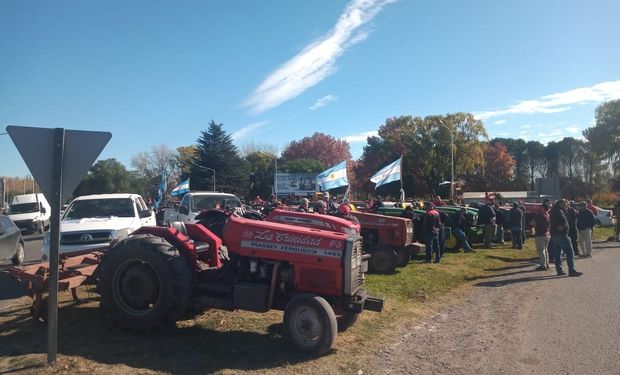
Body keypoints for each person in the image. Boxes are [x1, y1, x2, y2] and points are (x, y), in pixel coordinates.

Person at [549, 199, 583, 277]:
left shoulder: (554, 211)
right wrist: (561, 227)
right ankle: (572, 270)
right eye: (565, 204)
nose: (567, 206)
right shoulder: (559, 211)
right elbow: (562, 221)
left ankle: (559, 270)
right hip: (561, 235)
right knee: (570, 251)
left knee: (557, 253)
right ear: (560, 204)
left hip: (554, 235)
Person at [534, 202, 551, 270]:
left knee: (541, 251)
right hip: (547, 234)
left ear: (543, 208)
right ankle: (547, 264)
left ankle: (543, 265)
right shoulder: (548, 215)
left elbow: (533, 223)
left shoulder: (539, 216)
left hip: (540, 234)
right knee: (546, 250)